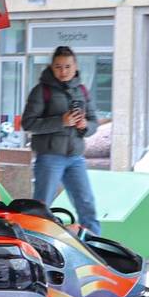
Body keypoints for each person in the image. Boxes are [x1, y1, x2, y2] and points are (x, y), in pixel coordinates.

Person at [23, 45, 101, 235]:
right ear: (52, 67)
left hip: (75, 157)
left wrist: (85, 125)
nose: (63, 71)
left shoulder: (82, 90)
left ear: (75, 67)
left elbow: (94, 122)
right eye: (58, 67)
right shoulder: (41, 90)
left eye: (67, 66)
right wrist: (61, 121)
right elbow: (28, 123)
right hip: (49, 157)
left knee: (86, 203)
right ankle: (35, 241)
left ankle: (94, 244)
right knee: (41, 206)